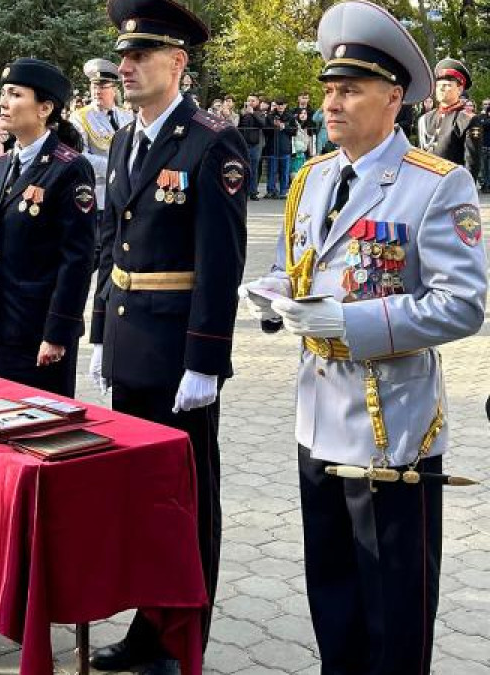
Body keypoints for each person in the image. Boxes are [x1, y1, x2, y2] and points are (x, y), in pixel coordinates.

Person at [240, 3, 486, 672]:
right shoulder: (313, 177)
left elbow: (463, 306)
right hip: (317, 419)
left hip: (391, 429)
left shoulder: (437, 184)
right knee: (333, 599)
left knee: (394, 612)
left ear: (393, 98)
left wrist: (349, 324)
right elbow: (298, 264)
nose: (332, 102)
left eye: (349, 89)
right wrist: (272, 295)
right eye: (328, 89)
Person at [87, 0, 248, 672]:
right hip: (132, 347)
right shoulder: (125, 139)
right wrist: (101, 331)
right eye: (123, 56)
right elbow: (110, 243)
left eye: (140, 55)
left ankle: (183, 640)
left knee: (187, 501)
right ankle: (147, 626)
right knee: (141, 496)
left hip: (181, 355)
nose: (124, 67)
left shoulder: (211, 142)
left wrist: (206, 359)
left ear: (177, 62)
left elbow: (222, 262)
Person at [0, 58, 96, 395]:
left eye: (15, 94)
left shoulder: (69, 168)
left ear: (44, 108)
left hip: (42, 331)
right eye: (3, 93)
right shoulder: (2, 165)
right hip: (5, 324)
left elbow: (78, 259)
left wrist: (58, 332)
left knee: (41, 421)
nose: (3, 103)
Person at [71, 58, 133, 217]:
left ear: (114, 89)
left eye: (103, 86)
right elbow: (79, 155)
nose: (97, 91)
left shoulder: (127, 116)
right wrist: (117, 168)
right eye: (94, 86)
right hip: (98, 195)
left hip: (127, 194)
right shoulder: (80, 117)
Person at [418, 58, 481, 183]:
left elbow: (472, 162)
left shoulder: (468, 120)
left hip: (452, 184)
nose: (441, 89)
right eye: (438, 85)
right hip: (427, 183)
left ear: (459, 89)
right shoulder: (425, 119)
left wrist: (465, 188)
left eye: (447, 85)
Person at [237, 93, 266, 200]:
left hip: (255, 144)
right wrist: (242, 115)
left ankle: (253, 191)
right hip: (244, 143)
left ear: (257, 102)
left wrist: (252, 113)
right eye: (249, 100)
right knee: (242, 168)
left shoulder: (259, 113)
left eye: (253, 101)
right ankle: (243, 190)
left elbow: (262, 124)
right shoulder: (243, 112)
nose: (250, 103)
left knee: (253, 168)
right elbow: (238, 126)